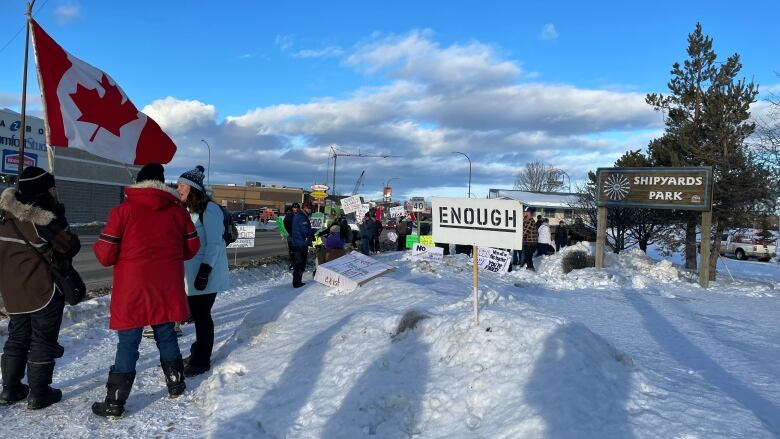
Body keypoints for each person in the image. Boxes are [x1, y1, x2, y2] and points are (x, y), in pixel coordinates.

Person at [91, 164, 199, 417]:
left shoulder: (123, 211)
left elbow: (106, 256)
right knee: (166, 334)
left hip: (133, 287)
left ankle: (115, 401)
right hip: (166, 284)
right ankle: (175, 383)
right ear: (163, 184)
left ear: (139, 183)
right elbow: (192, 248)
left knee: (128, 343)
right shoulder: (178, 213)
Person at [0, 167, 80, 410]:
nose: (54, 191)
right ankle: (39, 393)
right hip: (41, 290)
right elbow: (69, 246)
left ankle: (10, 389)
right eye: (51, 188)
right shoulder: (42, 219)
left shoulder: (4, 217)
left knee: (16, 338)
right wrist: (61, 218)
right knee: (42, 340)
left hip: (12, 292)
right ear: (43, 190)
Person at [176, 166, 230, 377]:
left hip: (207, 274)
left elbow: (215, 243)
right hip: (192, 274)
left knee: (202, 316)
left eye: (181, 185)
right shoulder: (189, 210)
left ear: (193, 188)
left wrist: (205, 271)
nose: (177, 188)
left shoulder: (210, 210)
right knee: (198, 315)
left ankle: (202, 360)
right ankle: (198, 351)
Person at [291, 202, 315, 288]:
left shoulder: (301, 216)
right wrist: (314, 231)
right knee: (300, 263)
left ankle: (298, 281)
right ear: (305, 208)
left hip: (299, 242)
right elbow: (305, 231)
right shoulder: (302, 217)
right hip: (300, 244)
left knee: (299, 263)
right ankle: (297, 283)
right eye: (309, 209)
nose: (310, 210)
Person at [283, 203, 300, 270]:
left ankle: (298, 263)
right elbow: (284, 225)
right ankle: (292, 263)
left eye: (297, 208)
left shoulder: (301, 215)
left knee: (298, 250)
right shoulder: (289, 216)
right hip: (291, 236)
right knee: (292, 250)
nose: (295, 209)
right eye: (294, 207)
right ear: (292, 208)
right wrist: (284, 232)